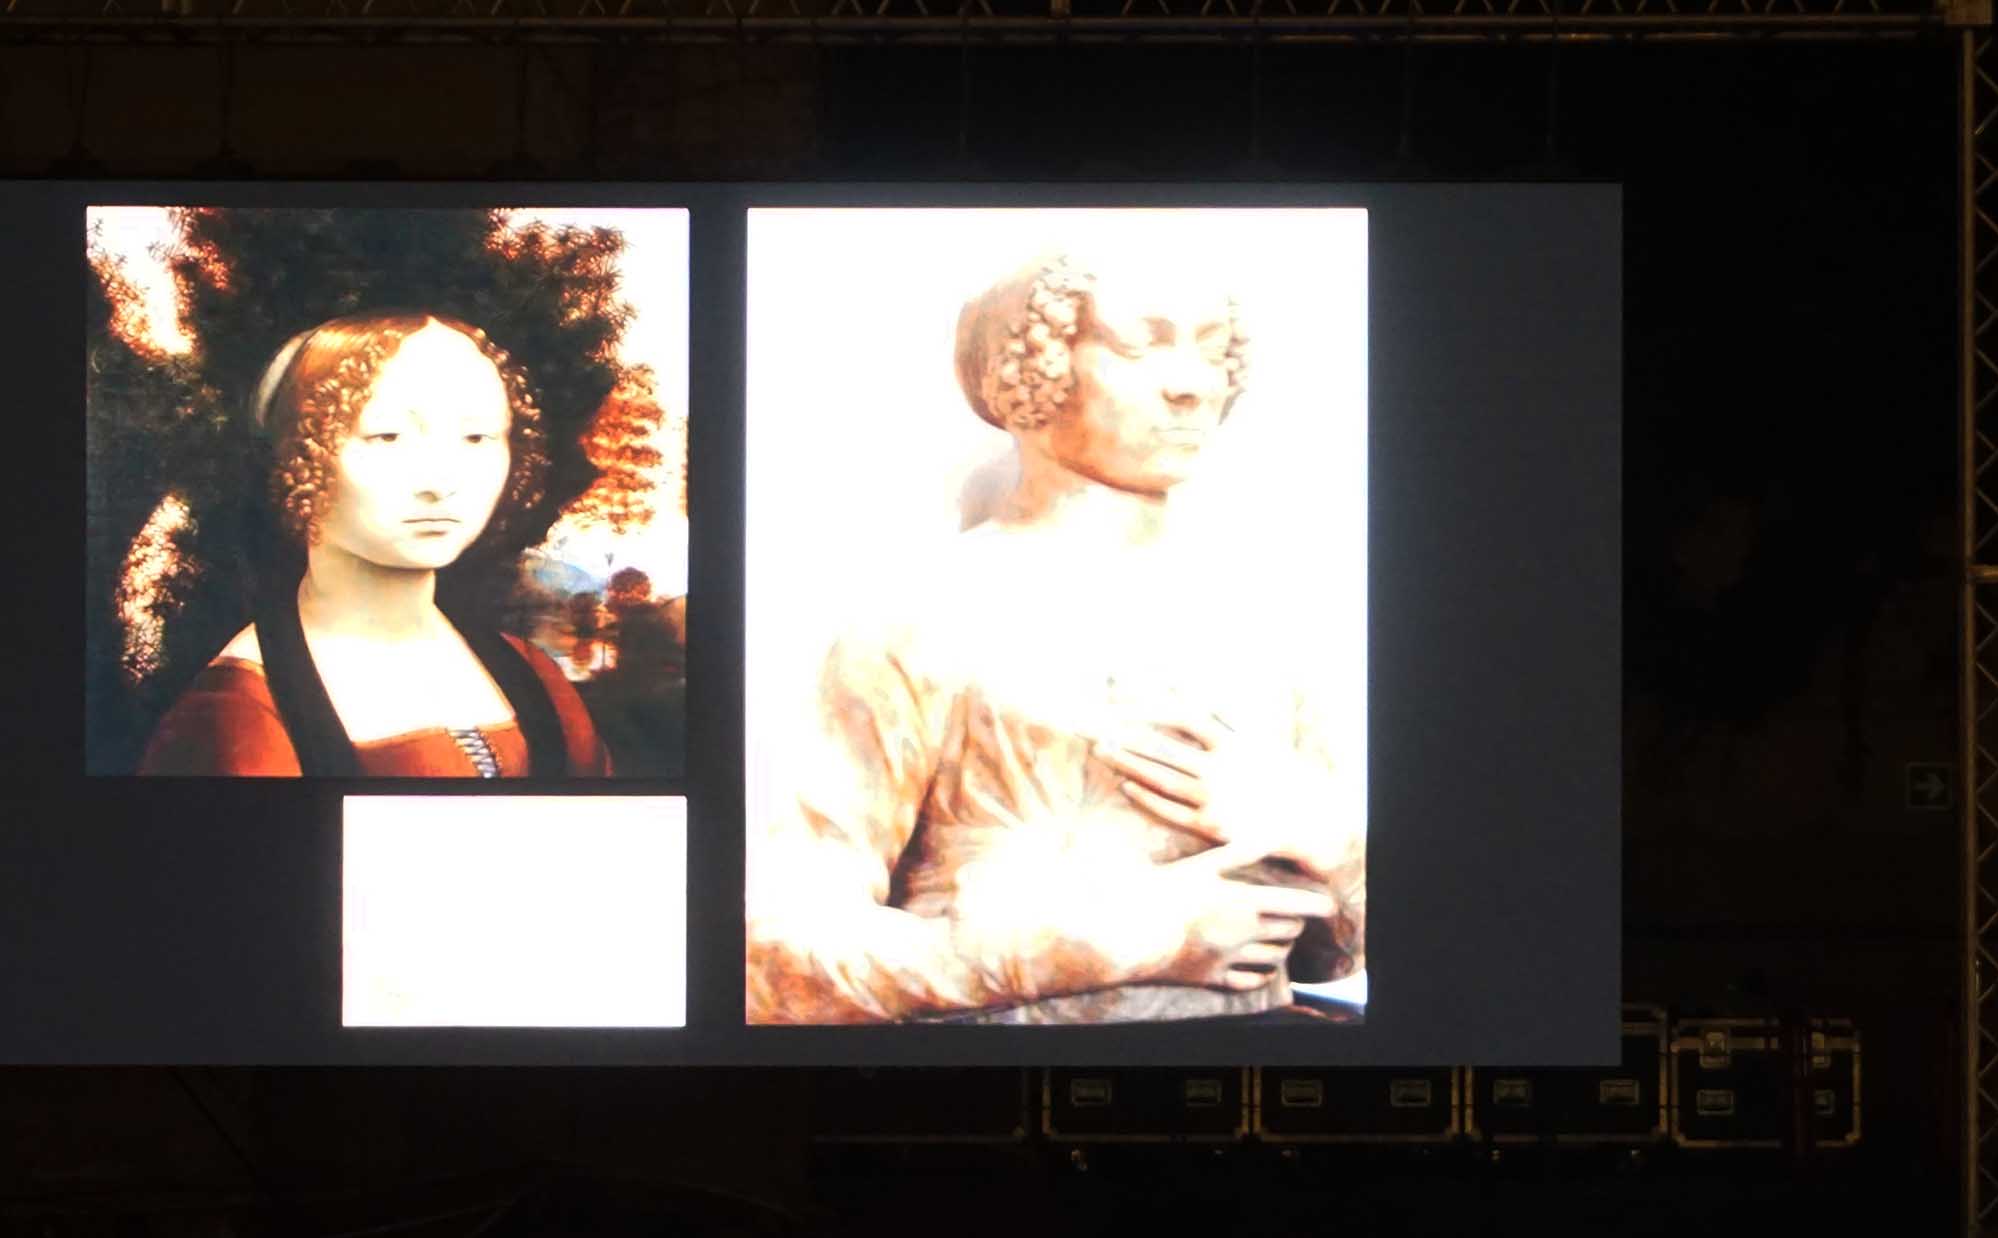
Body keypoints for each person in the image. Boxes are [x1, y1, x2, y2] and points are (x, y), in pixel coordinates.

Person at [745, 248, 1366, 1026]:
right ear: (1030, 365)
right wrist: (1117, 940)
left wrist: (1330, 840)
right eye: (1141, 344)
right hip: (1000, 1086)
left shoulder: (1262, 622)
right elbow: (772, 962)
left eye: (1210, 349)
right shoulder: (921, 616)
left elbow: (1345, 953)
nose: (1192, 384)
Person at [139, 311, 611, 779]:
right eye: (387, 436)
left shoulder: (534, 676)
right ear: (301, 452)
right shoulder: (239, 712)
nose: (441, 481)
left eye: (476, 436)